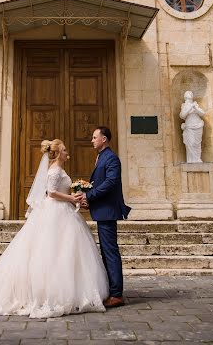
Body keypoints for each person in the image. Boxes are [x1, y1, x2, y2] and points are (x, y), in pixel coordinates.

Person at [0, 139, 109, 318]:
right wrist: (71, 199)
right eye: (64, 150)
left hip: (62, 211)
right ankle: (54, 293)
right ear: (58, 153)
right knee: (54, 252)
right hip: (56, 212)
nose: (67, 153)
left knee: (66, 251)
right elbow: (50, 193)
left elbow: (57, 191)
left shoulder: (59, 170)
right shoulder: (54, 171)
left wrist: (72, 195)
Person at [76, 126, 131, 308]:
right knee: (106, 252)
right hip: (101, 210)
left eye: (94, 137)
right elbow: (100, 183)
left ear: (104, 139)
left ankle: (116, 294)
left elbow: (110, 182)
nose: (92, 140)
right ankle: (111, 289)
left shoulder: (111, 158)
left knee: (110, 251)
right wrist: (87, 198)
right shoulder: (101, 157)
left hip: (108, 211)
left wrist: (89, 196)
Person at [180, 91, 206, 163]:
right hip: (189, 126)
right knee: (191, 142)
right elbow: (182, 115)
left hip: (198, 124)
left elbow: (202, 113)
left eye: (190, 96)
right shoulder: (184, 105)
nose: (189, 98)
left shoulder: (195, 105)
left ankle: (197, 158)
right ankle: (191, 160)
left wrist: (195, 108)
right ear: (185, 97)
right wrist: (190, 107)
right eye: (188, 97)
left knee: (197, 143)